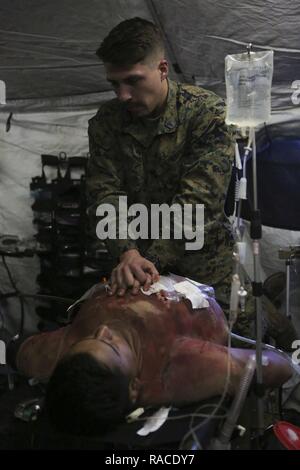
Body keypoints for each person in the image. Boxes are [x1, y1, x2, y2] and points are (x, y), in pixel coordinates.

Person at [86, 17, 235, 318]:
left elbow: (200, 203)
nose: (123, 95)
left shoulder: (206, 113)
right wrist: (128, 253)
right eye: (115, 84)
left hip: (203, 275)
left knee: (226, 355)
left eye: (133, 80)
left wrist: (145, 260)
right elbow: (105, 193)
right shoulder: (107, 122)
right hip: (138, 274)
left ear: (162, 69)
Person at [15, 277, 293, 436]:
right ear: (135, 386)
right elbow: (281, 367)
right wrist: (158, 391)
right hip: (199, 279)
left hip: (136, 252)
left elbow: (20, 351)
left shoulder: (66, 351)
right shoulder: (174, 365)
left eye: (91, 338)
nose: (103, 330)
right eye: (111, 346)